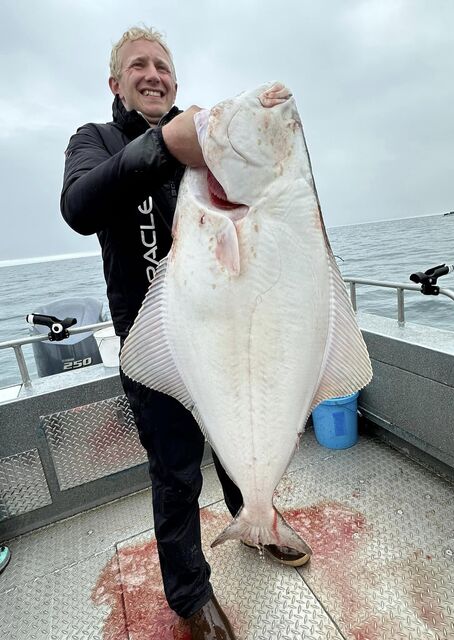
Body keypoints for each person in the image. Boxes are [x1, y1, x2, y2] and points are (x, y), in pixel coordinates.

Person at [61, 25, 308, 640]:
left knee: (237, 444)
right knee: (174, 475)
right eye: (137, 66)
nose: (152, 75)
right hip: (158, 348)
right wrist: (162, 147)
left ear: (176, 80)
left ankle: (256, 518)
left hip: (225, 332)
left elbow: (262, 202)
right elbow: (79, 207)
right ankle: (191, 594)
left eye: (162, 66)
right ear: (115, 83)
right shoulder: (96, 141)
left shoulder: (205, 138)